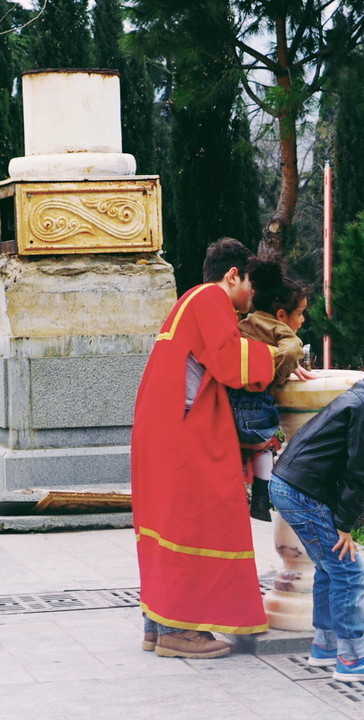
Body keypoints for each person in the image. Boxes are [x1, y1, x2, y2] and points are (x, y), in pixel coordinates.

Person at [131, 237, 276, 659]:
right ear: (232, 276)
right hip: (182, 436)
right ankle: (180, 633)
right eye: (250, 284)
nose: (253, 295)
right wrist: (278, 356)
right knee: (193, 524)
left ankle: (157, 627)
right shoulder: (212, 298)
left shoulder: (189, 301)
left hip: (162, 432)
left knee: (166, 527)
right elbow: (230, 362)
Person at [269, 332, 364, 682]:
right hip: (301, 490)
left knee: (329, 567)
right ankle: (353, 659)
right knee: (347, 569)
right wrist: (344, 525)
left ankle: (326, 646)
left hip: (291, 484)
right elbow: (359, 470)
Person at [233, 257, 317, 521]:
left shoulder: (246, 321)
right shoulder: (282, 331)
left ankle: (250, 494)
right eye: (300, 313)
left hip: (233, 400)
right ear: (281, 314)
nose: (302, 320)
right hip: (258, 403)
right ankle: (262, 496)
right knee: (267, 445)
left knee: (246, 447)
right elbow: (291, 351)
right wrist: (279, 374)